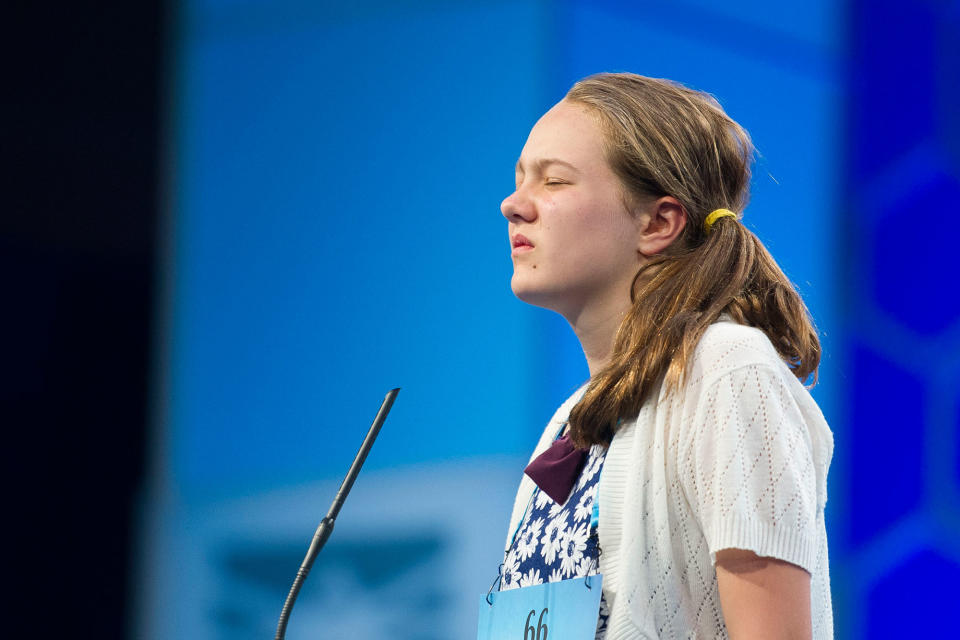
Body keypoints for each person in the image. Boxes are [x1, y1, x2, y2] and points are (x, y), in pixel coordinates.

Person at [496, 72, 834, 639]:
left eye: (554, 181)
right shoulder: (569, 423)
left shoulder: (726, 371)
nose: (513, 205)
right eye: (518, 180)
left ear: (658, 222)